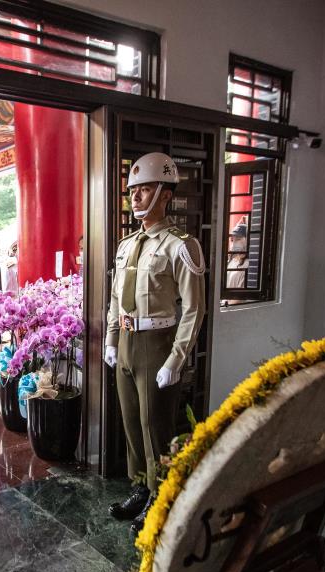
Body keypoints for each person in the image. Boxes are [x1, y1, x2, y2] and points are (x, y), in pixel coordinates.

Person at [103, 152, 206, 533]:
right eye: (134, 191)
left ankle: (162, 500)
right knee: (131, 421)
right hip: (128, 341)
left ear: (165, 194)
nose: (136, 197)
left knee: (155, 426)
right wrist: (112, 339)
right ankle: (141, 488)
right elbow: (115, 298)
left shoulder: (182, 245)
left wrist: (176, 359)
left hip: (157, 343)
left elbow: (195, 309)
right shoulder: (127, 245)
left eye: (145, 190)